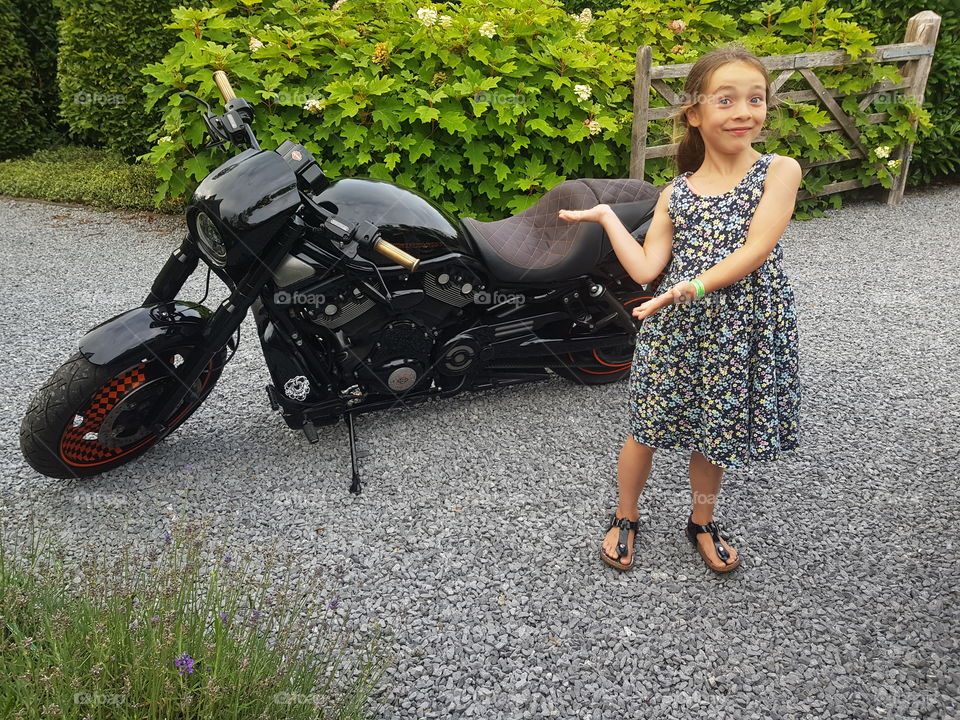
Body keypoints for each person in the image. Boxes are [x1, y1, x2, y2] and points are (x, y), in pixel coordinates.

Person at [558, 43, 803, 573]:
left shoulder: (779, 171)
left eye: (755, 99)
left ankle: (702, 521)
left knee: (713, 434)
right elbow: (647, 271)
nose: (744, 111)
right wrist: (607, 218)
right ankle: (626, 515)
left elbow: (756, 248)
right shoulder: (676, 192)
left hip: (741, 327)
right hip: (676, 327)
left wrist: (691, 286)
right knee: (645, 428)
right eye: (726, 99)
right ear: (694, 113)